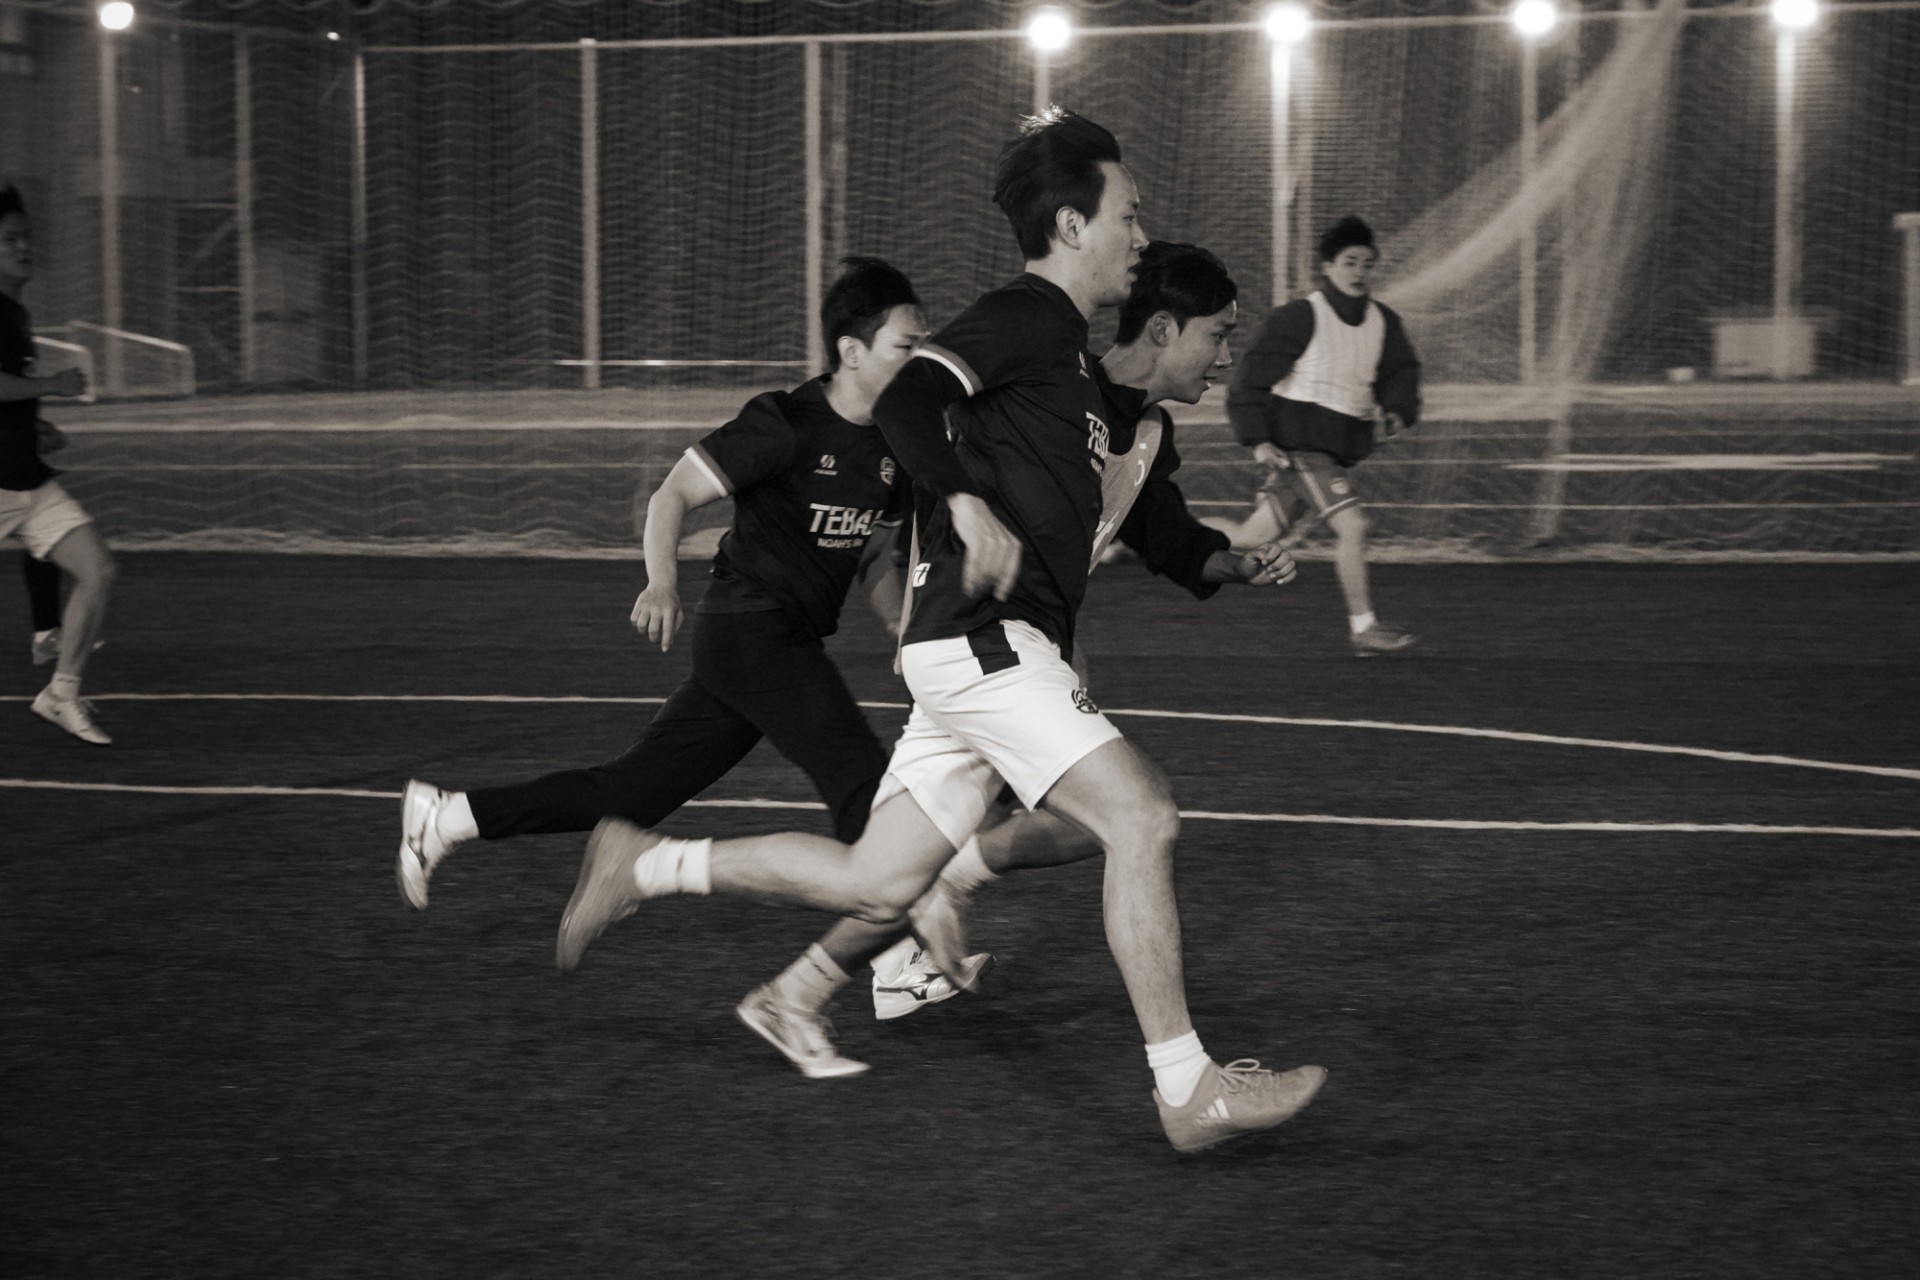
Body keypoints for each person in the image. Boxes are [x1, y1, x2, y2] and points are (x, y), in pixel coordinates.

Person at [554, 112, 1326, 1155]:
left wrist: (1230, 559)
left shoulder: (1074, 368)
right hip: (987, 636)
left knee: (878, 880)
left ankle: (643, 865)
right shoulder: (1027, 316)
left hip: (973, 649)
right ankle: (1186, 1088)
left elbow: (1160, 533)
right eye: (1128, 214)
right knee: (1141, 816)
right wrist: (962, 501)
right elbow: (912, 394)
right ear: (1071, 224)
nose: (1139, 235)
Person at [393, 259, 931, 1024]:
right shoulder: (785, 422)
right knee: (858, 776)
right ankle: (895, 962)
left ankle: (447, 817)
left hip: (771, 646)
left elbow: (875, 555)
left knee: (630, 795)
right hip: (749, 630)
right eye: (906, 346)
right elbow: (672, 494)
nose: (918, 358)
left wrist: (903, 626)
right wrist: (661, 583)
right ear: (852, 351)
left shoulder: (892, 448)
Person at [1213, 214, 1422, 657]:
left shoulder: (1383, 322)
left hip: (1325, 454)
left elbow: (1401, 374)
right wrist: (1258, 439)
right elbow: (1248, 379)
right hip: (1303, 450)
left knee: (1250, 539)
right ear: (1327, 266)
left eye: (1367, 263)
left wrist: (1396, 413)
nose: (1359, 272)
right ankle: (1363, 628)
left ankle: (1148, 534)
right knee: (1353, 526)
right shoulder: (1300, 317)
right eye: (1349, 262)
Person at [0, 186, 115, 744]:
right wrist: (53, 385)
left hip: (27, 480)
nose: (24, 247)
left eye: (26, 237)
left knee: (98, 570)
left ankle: (61, 694)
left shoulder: (15, 313)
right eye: (9, 239)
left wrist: (36, 428)